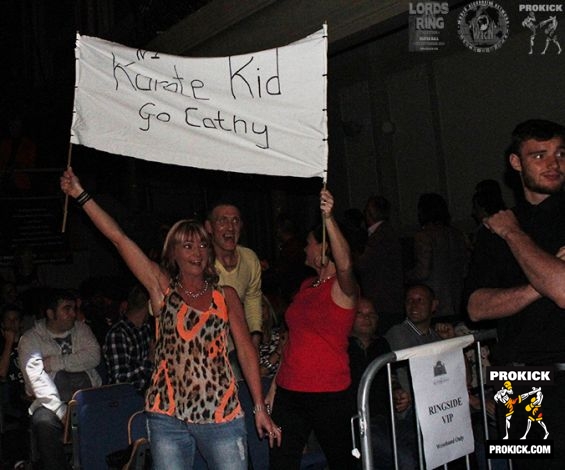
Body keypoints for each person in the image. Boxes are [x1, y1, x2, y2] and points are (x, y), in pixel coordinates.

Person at [60, 167, 281, 470]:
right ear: (173, 252)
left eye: (203, 245)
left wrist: (259, 406)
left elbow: (245, 350)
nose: (197, 252)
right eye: (187, 245)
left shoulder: (225, 295)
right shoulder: (161, 288)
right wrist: (80, 195)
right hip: (168, 416)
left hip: (221, 415)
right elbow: (118, 238)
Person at [466, 119, 565, 467]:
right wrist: (543, 279)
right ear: (516, 163)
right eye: (539, 155)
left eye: (560, 154)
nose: (553, 164)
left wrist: (514, 236)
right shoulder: (495, 227)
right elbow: (476, 307)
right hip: (517, 377)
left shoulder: (506, 229)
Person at [268, 188, 358, 470]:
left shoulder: (343, 289)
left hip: (328, 393)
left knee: (341, 461)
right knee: (281, 462)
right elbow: (293, 340)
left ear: (323, 247)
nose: (304, 248)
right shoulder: (307, 287)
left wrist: (328, 218)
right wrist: (274, 386)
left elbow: (345, 264)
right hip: (289, 390)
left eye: (308, 243)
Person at [18, 289, 102, 470]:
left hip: (87, 396)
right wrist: (61, 411)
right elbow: (37, 379)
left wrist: (56, 362)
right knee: (43, 422)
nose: (73, 313)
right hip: (52, 402)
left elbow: (94, 356)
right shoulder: (31, 339)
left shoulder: (81, 329)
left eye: (73, 308)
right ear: (51, 313)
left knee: (109, 411)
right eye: (67, 309)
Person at [205, 201, 263, 349]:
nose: (230, 227)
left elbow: (253, 298)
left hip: (239, 347)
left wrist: (255, 337)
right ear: (209, 227)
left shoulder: (249, 258)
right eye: (222, 220)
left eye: (235, 221)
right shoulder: (201, 262)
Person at [405, 193, 469, 318]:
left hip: (434, 301)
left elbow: (423, 271)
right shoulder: (458, 234)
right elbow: (465, 269)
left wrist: (407, 276)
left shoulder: (424, 236)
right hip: (457, 298)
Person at [355, 195, 404, 334]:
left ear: (369, 213)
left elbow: (362, 264)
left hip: (383, 302)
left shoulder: (379, 236)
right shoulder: (388, 232)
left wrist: (351, 254)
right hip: (390, 301)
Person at [103, 284, 154, 394]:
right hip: (127, 401)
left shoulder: (147, 328)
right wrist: (150, 360)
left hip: (149, 395)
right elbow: (120, 381)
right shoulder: (118, 334)